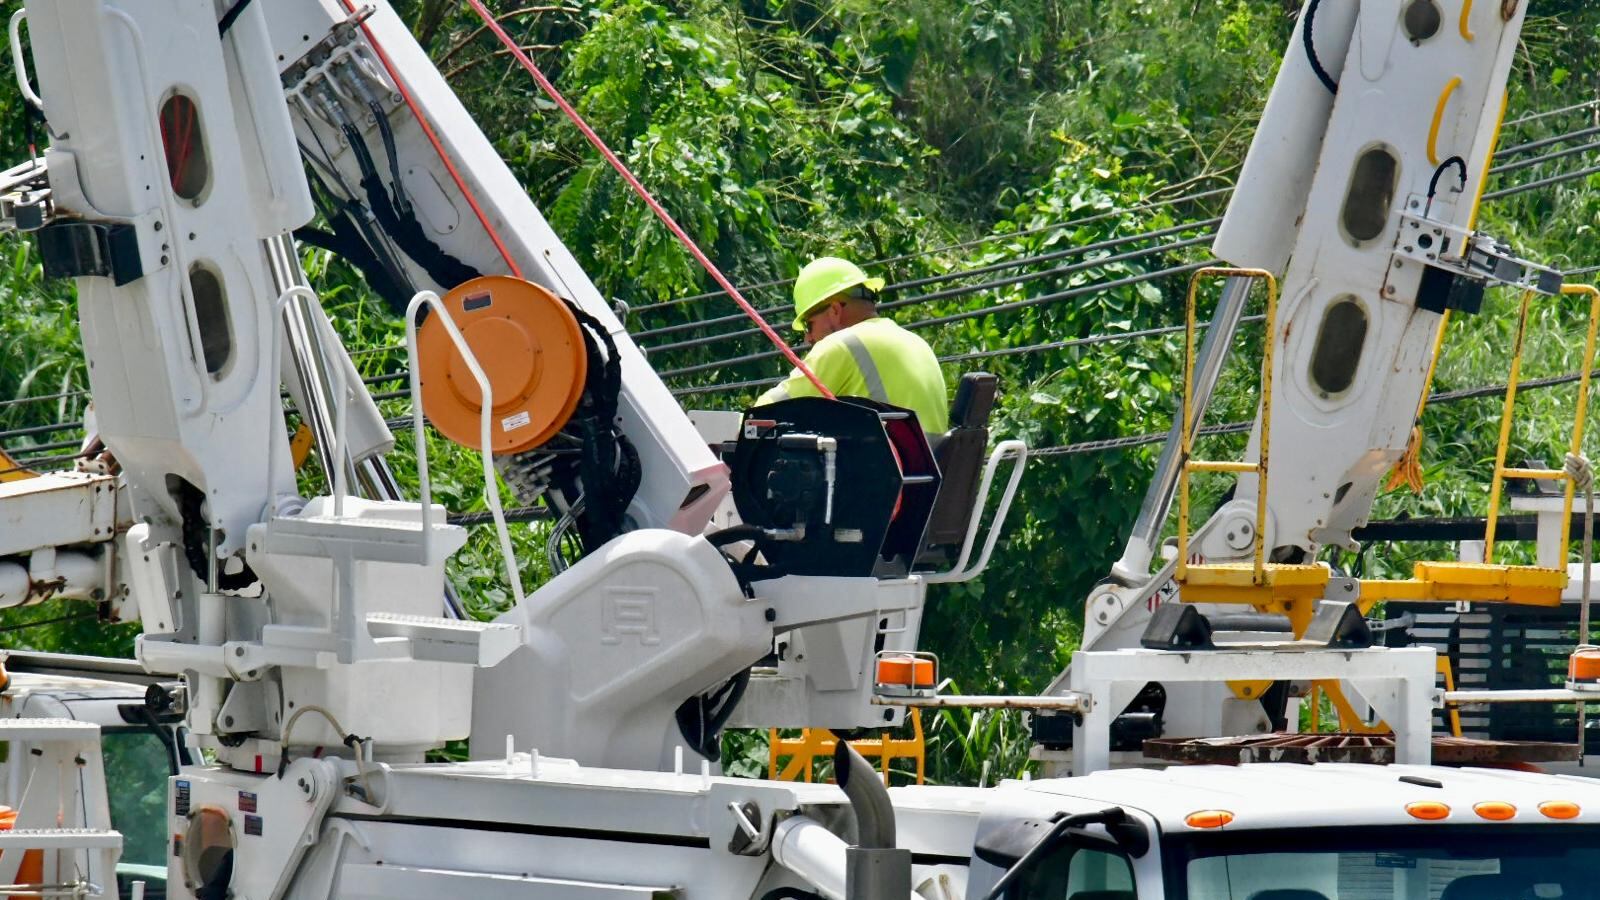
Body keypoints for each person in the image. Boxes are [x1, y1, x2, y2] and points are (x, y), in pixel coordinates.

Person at [758, 257, 949, 434]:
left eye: (809, 325)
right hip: (927, 466)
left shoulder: (843, 345)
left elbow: (765, 414)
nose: (808, 338)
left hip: (885, 468)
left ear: (834, 310)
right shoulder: (916, 342)